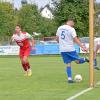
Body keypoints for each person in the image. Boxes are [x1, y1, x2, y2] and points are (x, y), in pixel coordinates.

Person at [56, 19, 89, 83]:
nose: (73, 25)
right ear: (71, 22)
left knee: (68, 63)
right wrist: (82, 46)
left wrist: (61, 44)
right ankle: (85, 59)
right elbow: (75, 39)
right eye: (74, 24)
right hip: (70, 49)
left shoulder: (60, 28)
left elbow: (57, 39)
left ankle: (70, 79)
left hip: (62, 49)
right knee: (77, 61)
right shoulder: (71, 29)